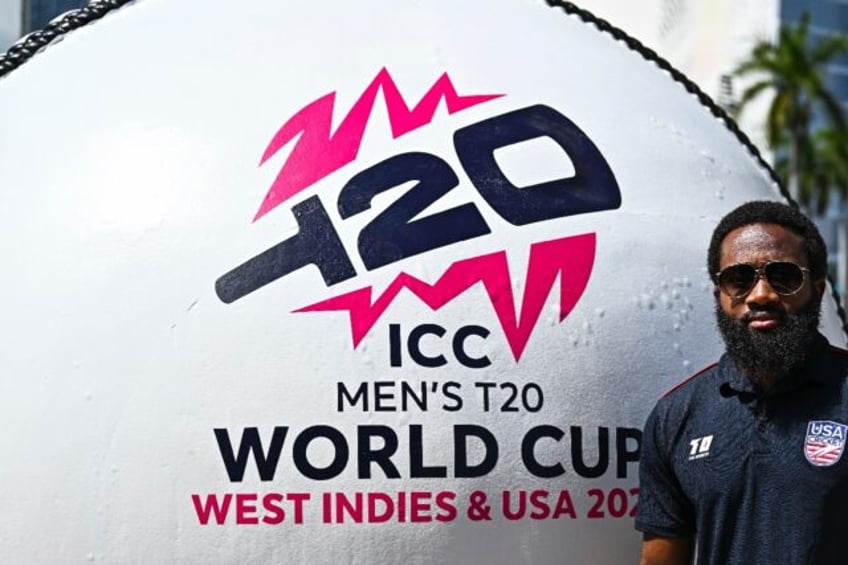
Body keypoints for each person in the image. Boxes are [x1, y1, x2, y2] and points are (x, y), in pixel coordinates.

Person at [635, 200, 848, 565]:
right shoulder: (676, 416)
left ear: (817, 288)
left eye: (783, 276)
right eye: (739, 279)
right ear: (720, 294)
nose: (761, 294)